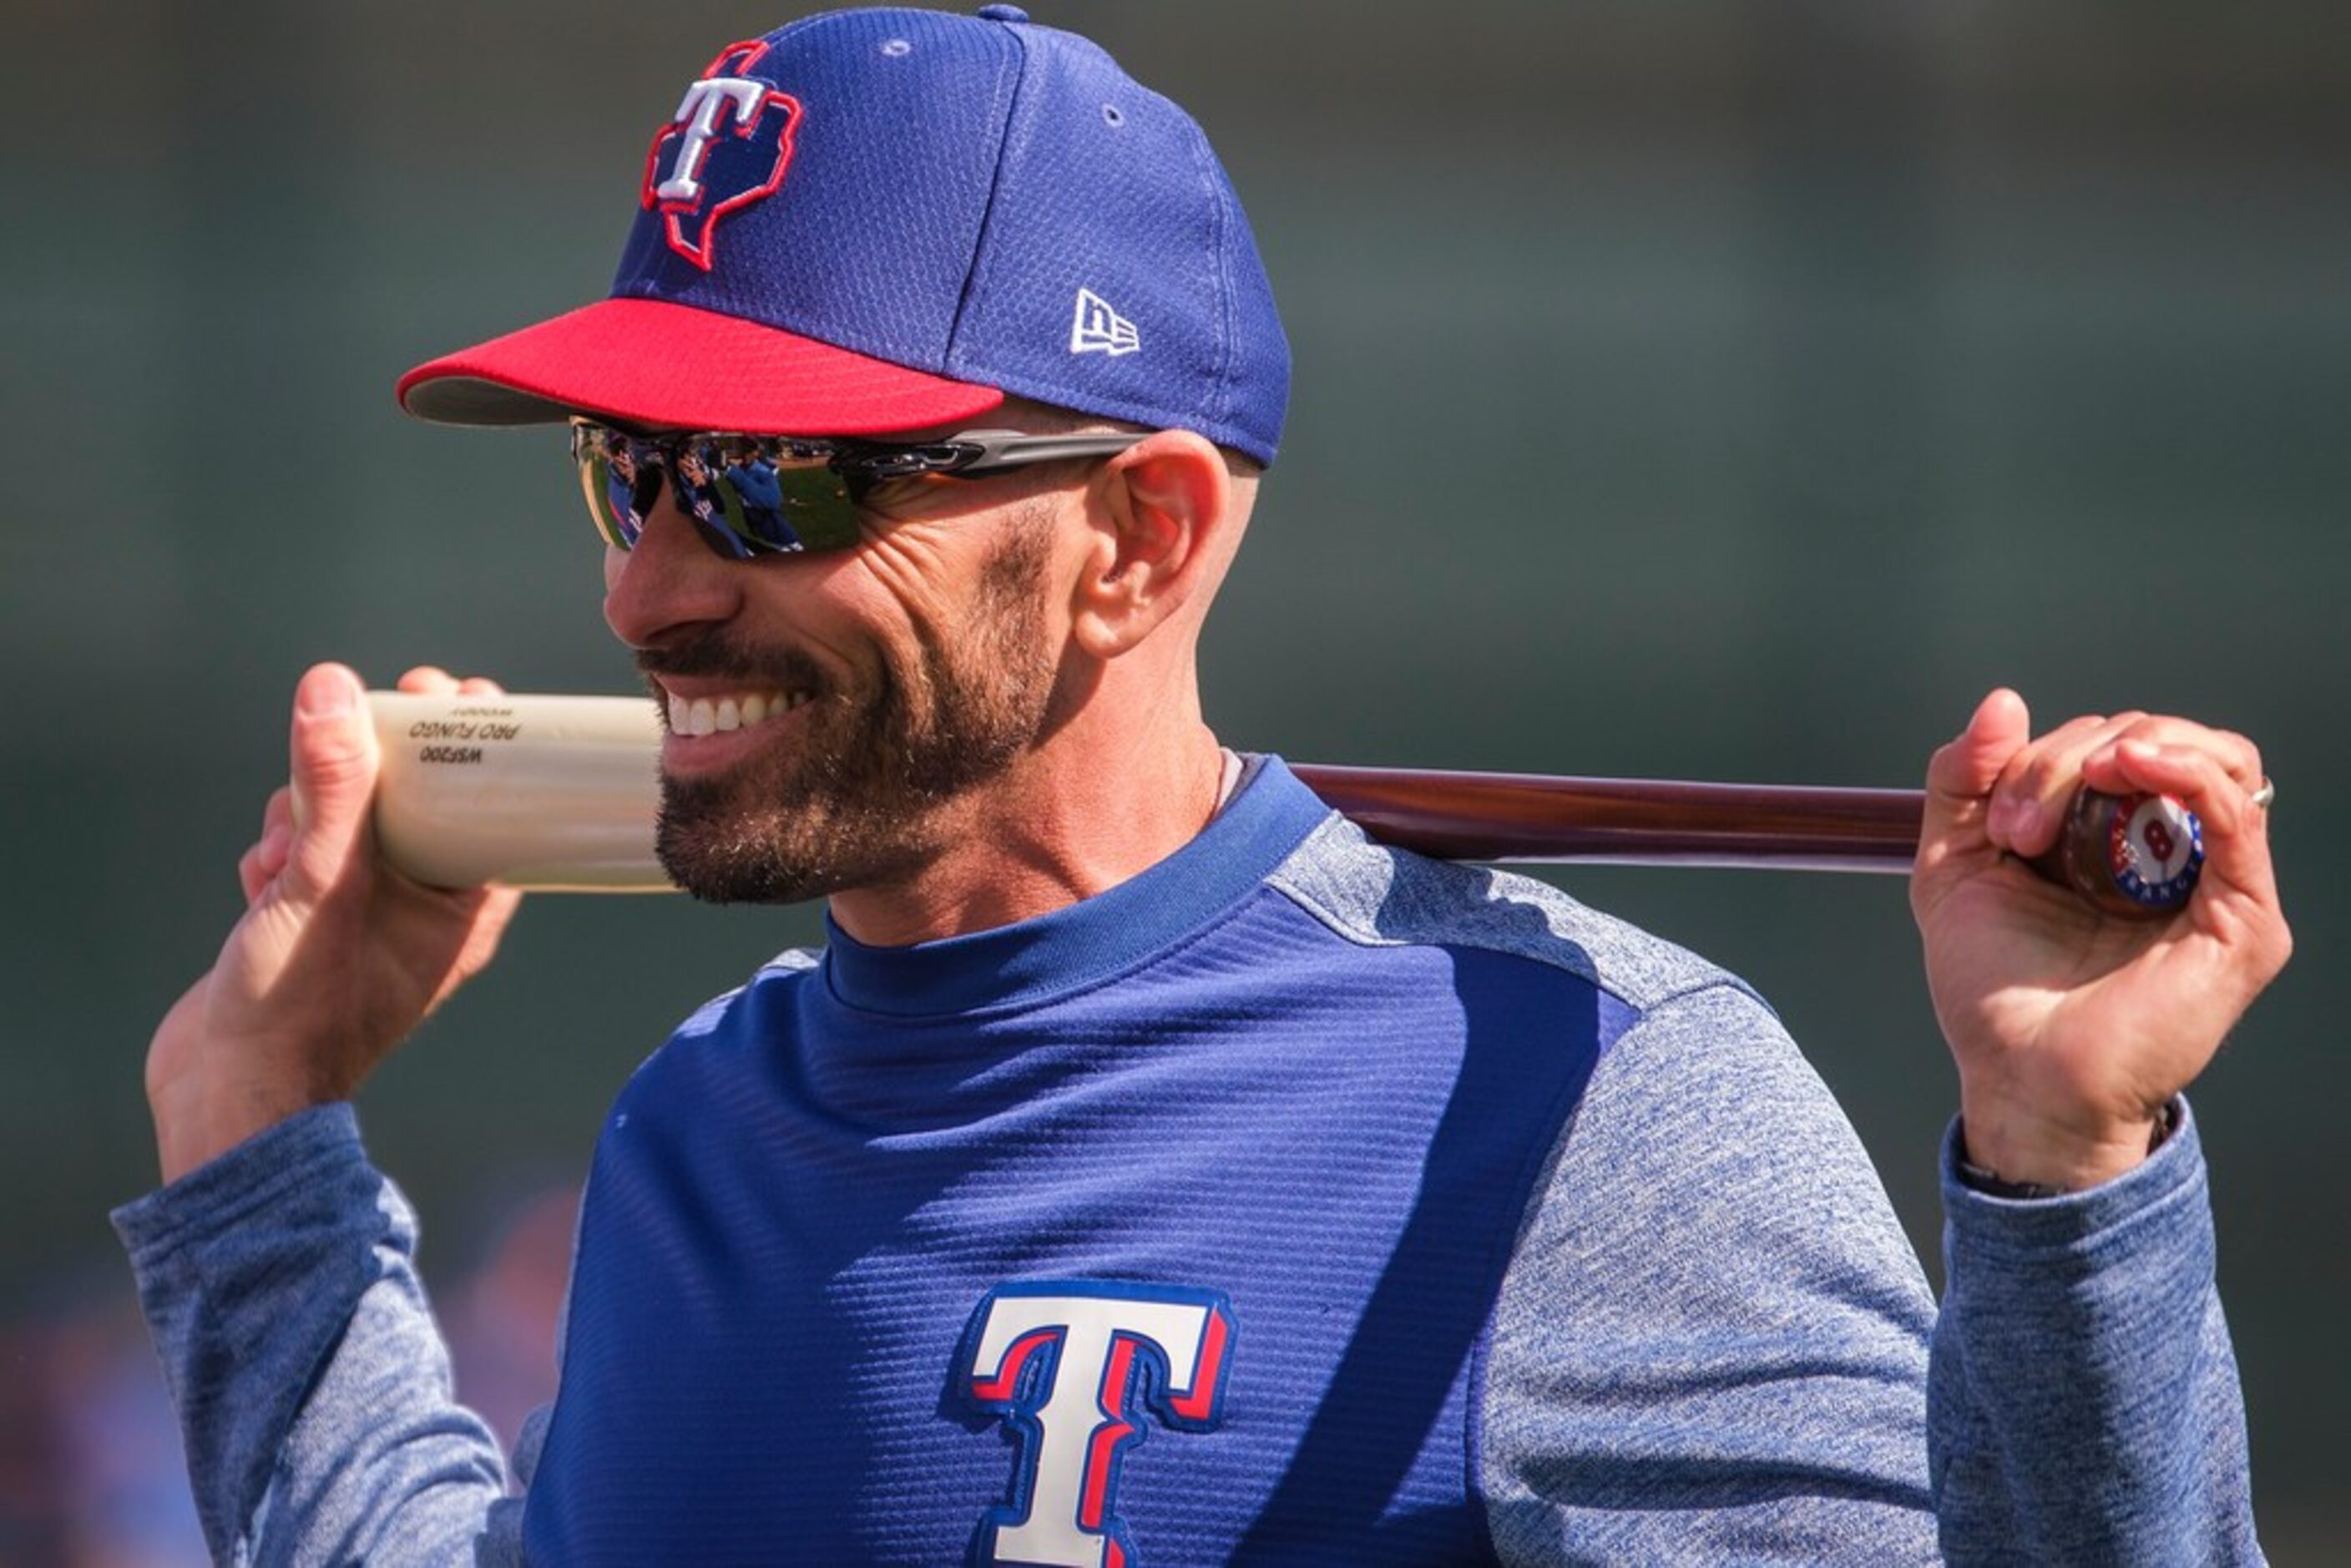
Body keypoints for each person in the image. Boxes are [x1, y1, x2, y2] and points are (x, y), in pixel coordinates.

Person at [115, 7, 2290, 1565]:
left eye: (775, 484)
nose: (651, 595)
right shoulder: (705, 1118)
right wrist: (255, 1128)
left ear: (1139, 538)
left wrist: (2066, 1169)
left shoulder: (1575, 1110)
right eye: (635, 475)